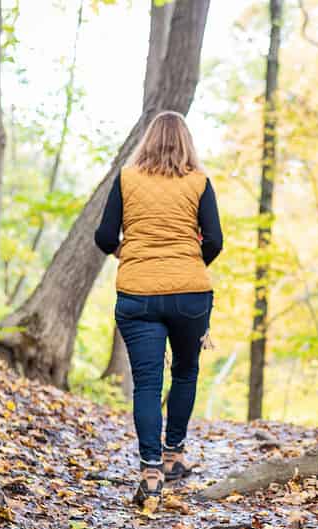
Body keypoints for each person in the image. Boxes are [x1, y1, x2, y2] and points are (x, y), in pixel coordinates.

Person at [94, 110, 223, 503]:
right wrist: (188, 262)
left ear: (147, 141)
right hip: (190, 297)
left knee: (147, 383)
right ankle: (174, 456)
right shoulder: (199, 183)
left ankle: (150, 474)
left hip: (137, 295)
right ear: (187, 143)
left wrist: (127, 254)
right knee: (185, 373)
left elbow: (103, 236)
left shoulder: (127, 179)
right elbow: (214, 240)